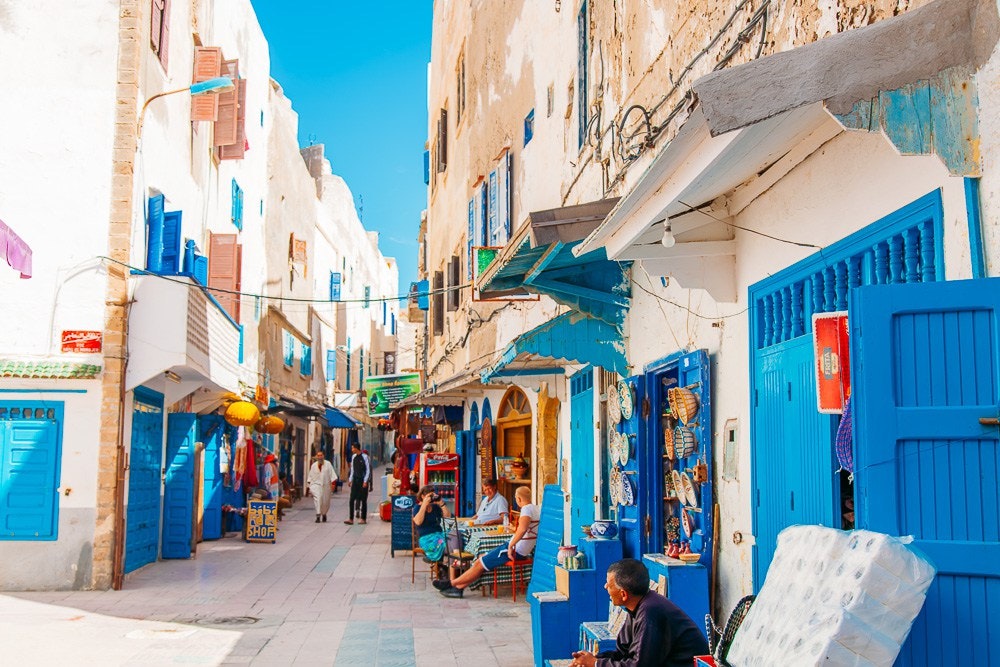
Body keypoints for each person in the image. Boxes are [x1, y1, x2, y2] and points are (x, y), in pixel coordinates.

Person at [569, 558, 709, 667]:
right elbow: (623, 653)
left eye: (609, 585)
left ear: (623, 594)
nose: (605, 587)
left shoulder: (651, 612)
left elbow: (640, 665)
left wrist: (595, 664)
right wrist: (589, 660)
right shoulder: (636, 606)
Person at [436, 485, 538, 598]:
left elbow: (522, 529)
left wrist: (511, 546)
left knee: (480, 562)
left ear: (518, 498)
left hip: (515, 550)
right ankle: (458, 588)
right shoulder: (536, 508)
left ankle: (451, 583)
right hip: (520, 550)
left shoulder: (526, 509)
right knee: (481, 559)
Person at [413, 485, 451, 577]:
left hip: (438, 534)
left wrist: (441, 503)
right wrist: (424, 504)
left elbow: (448, 516)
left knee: (451, 540)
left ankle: (438, 566)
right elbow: (418, 521)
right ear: (423, 496)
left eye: (432, 495)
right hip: (426, 538)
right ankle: (438, 565)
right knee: (441, 543)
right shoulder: (417, 508)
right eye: (429, 496)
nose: (431, 498)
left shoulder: (435, 507)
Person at [344, 442, 372, 525]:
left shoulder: (365, 457)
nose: (352, 450)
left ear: (356, 448)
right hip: (355, 481)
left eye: (353, 448)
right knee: (352, 499)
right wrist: (350, 479)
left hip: (362, 481)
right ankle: (351, 518)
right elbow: (352, 469)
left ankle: (363, 518)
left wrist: (365, 481)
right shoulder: (353, 457)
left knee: (363, 500)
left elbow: (368, 470)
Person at [306, 450, 337, 523]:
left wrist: (333, 484)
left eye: (321, 455)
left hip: (326, 486)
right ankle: (318, 515)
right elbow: (310, 476)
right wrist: (309, 487)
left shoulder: (328, 464)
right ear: (316, 457)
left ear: (323, 456)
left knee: (325, 501)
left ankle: (324, 513)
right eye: (318, 456)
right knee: (318, 498)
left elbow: (332, 475)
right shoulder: (313, 466)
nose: (320, 457)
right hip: (316, 485)